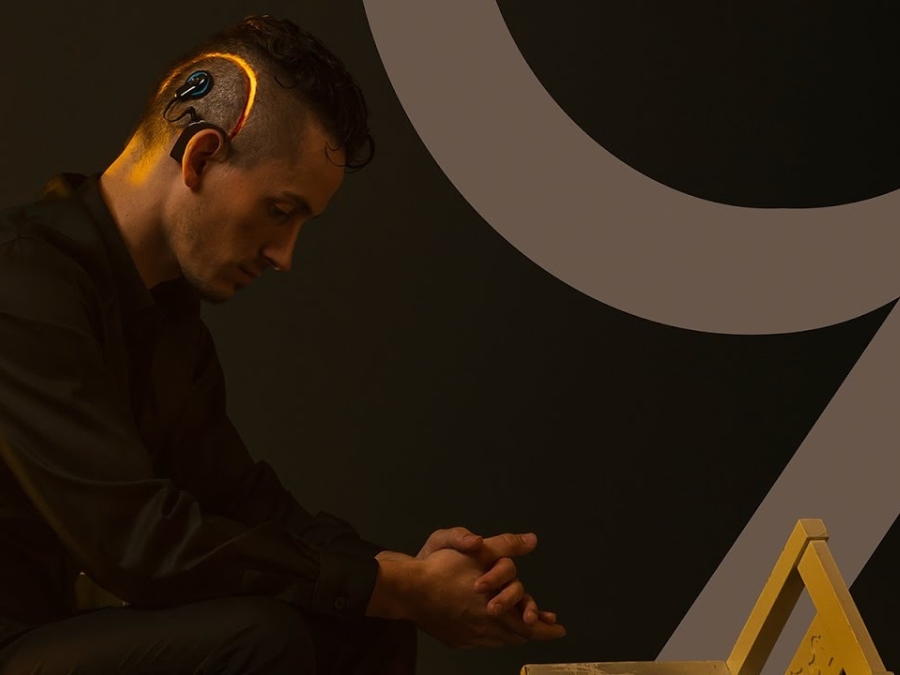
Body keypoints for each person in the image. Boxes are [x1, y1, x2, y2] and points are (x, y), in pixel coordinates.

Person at [0, 13, 565, 674]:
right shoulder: (22, 280)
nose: (284, 256)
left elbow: (247, 505)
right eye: (279, 211)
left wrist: (414, 577)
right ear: (201, 156)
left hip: (48, 636)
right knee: (263, 637)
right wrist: (390, 585)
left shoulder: (165, 319)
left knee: (366, 627)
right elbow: (138, 543)